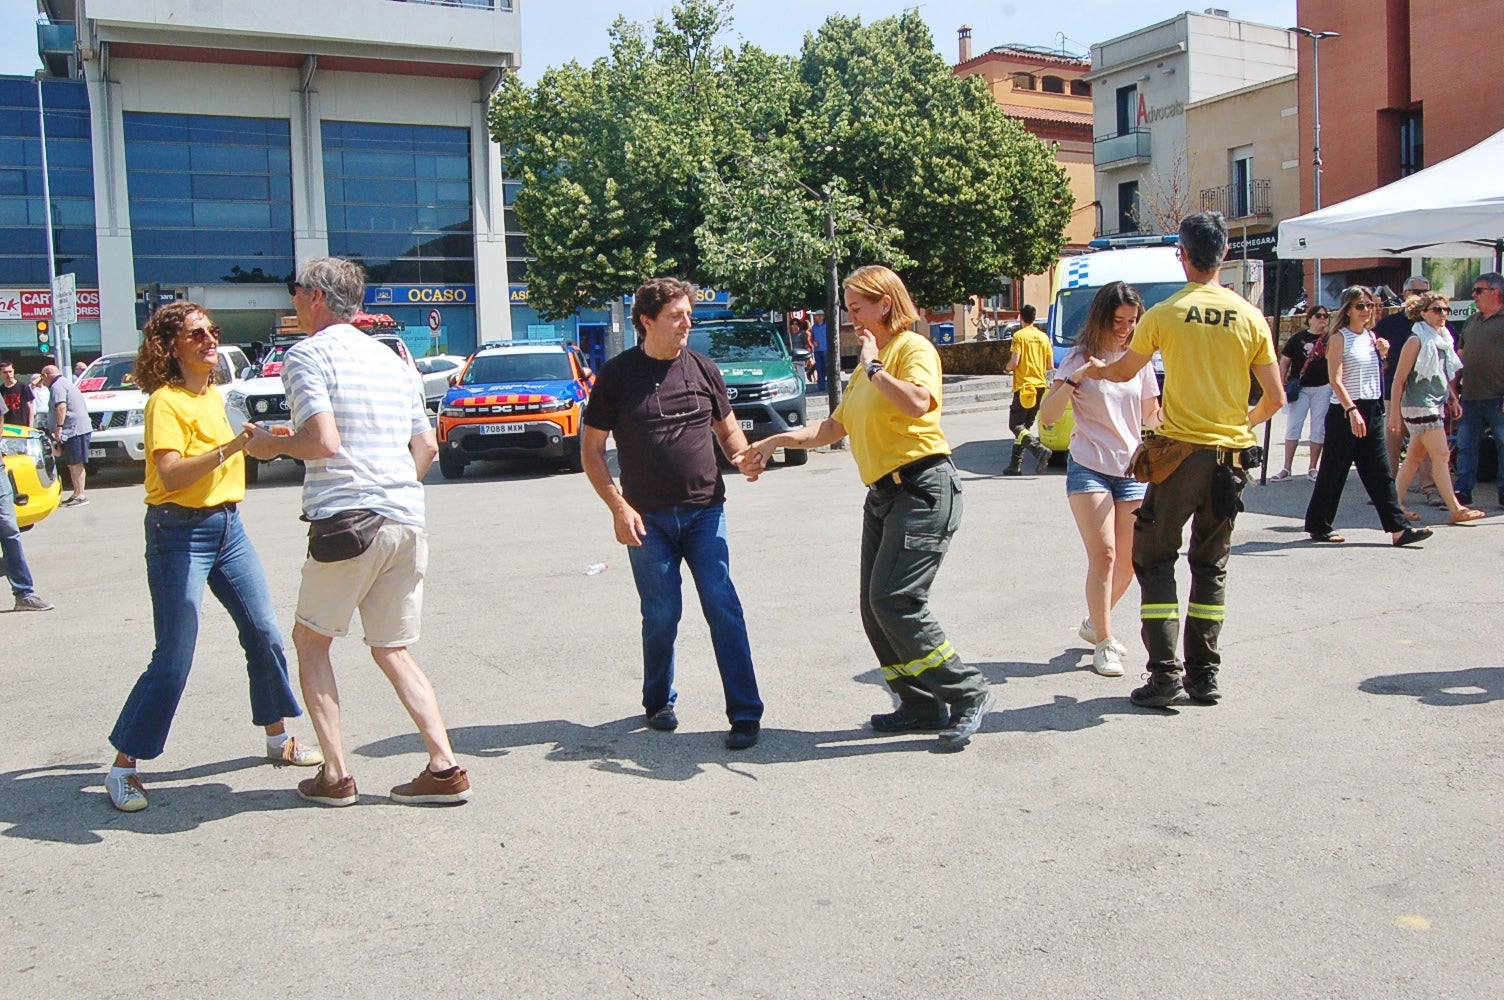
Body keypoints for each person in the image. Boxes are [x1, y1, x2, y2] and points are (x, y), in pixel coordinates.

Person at [244, 257, 470, 806]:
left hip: (348, 519)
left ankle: (336, 775)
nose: (293, 300)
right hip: (404, 516)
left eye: (297, 291)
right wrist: (391, 488)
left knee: (311, 641)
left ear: (317, 298)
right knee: (392, 647)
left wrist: (272, 444)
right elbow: (427, 446)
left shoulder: (306, 355)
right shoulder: (394, 360)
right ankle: (444, 766)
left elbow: (323, 442)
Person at [744, 265, 994, 747]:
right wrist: (775, 440)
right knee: (873, 606)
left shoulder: (910, 349)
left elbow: (919, 402)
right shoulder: (867, 362)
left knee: (895, 601)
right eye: (847, 304)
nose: (848, 313)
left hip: (923, 487)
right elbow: (833, 428)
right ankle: (919, 703)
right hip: (883, 495)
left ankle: (968, 692)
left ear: (885, 303)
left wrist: (876, 367)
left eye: (857, 305)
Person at [102, 301, 319, 813]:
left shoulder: (215, 396)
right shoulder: (165, 402)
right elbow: (173, 474)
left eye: (212, 332)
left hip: (228, 529)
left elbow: (238, 449)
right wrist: (233, 447)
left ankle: (276, 737)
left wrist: (269, 441)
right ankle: (123, 766)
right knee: (174, 656)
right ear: (169, 347)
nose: (209, 341)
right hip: (178, 533)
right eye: (196, 334)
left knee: (263, 633)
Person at [1082, 211, 1284, 708]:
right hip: (1229, 458)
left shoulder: (1165, 314)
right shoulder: (1249, 316)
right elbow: (1275, 398)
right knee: (1211, 564)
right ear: (1225, 256)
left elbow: (1125, 371)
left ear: (1183, 256)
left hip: (1178, 457)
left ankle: (1164, 674)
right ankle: (1205, 677)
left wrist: (1094, 369)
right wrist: (1239, 424)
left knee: (1154, 559)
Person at [581, 277, 765, 751]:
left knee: (723, 605)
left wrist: (745, 457)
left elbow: (729, 435)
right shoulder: (618, 376)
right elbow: (592, 450)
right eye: (677, 316)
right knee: (662, 614)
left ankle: (745, 713)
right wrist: (617, 507)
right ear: (647, 321)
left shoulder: (702, 368)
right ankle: (658, 700)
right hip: (648, 519)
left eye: (689, 314)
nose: (688, 323)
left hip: (706, 511)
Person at [1037, 282, 1160, 678]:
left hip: (1131, 469)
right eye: (1118, 321)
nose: (1125, 328)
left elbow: (1150, 415)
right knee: (1104, 555)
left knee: (1129, 561)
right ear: (1101, 318)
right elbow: (1048, 416)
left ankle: (1095, 622)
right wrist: (1076, 378)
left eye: (1132, 321)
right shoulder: (1078, 357)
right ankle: (1105, 644)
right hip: (1088, 466)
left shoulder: (1136, 361)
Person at [1303, 286, 1432, 546]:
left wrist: (1382, 355)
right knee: (1334, 471)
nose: (1366, 310)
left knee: (1380, 472)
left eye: (1370, 305)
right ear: (1348, 309)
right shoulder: (1339, 337)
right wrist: (1351, 410)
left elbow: (1371, 373)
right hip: (1345, 410)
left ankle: (1399, 529)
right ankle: (1319, 524)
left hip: (1372, 408)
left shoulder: (1372, 337)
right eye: (1360, 306)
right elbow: (1335, 379)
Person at [1388, 291, 1483, 524]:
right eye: (1437, 310)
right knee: (1441, 454)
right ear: (1423, 313)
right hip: (1420, 406)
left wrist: (1452, 396)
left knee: (1414, 457)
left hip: (1434, 403)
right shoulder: (1416, 340)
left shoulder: (1441, 339)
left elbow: (1439, 374)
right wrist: (1394, 415)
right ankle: (1455, 507)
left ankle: (1396, 505)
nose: (1443, 314)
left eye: (1446, 310)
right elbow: (1399, 379)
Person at [1375, 276, 1439, 502]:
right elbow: (1372, 350)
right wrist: (1381, 362)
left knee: (1425, 441)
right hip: (1395, 389)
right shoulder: (1388, 324)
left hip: (1424, 393)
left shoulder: (1434, 323)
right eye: (1416, 292)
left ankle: (1429, 487)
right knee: (1392, 439)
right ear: (1404, 295)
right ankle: (1387, 489)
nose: (1421, 296)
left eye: (1425, 291)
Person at [1453, 271, 1504, 509]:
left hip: (1499, 397)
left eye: (1478, 290)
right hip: (1470, 396)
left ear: (1496, 292)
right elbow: (1459, 358)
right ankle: (1463, 492)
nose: (1473, 295)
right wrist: (1453, 391)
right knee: (1466, 446)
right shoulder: (1471, 321)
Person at [1270, 304, 1332, 481]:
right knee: (1293, 426)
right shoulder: (1298, 339)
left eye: (1325, 316)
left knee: (1318, 428)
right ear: (1310, 318)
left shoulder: (1330, 338)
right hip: (1301, 388)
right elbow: (1285, 361)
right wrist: (1280, 380)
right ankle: (1286, 468)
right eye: (1319, 316)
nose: (1322, 319)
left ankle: (1313, 467)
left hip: (1323, 387)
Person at [1003, 303, 1052, 475]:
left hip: (1024, 386)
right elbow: (1050, 364)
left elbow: (1014, 361)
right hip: (1039, 386)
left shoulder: (1019, 336)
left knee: (1015, 425)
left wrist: (1007, 368)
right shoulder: (1044, 337)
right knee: (1024, 428)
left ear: (1021, 317)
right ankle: (1015, 465)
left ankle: (1039, 450)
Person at [41, 364, 90, 506]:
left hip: (74, 430)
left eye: (43, 377)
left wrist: (59, 427)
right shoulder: (63, 383)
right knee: (70, 464)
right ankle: (76, 493)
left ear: (46, 375)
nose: (43, 381)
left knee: (76, 463)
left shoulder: (57, 386)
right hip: (71, 431)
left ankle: (81, 495)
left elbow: (61, 407)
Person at [1, 361, 34, 427]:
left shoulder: (23, 387)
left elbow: (30, 407)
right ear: (1, 373)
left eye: (10, 371)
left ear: (13, 371)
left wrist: (31, 426)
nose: (8, 374)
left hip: (23, 425)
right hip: (6, 426)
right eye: (5, 372)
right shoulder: (1, 390)